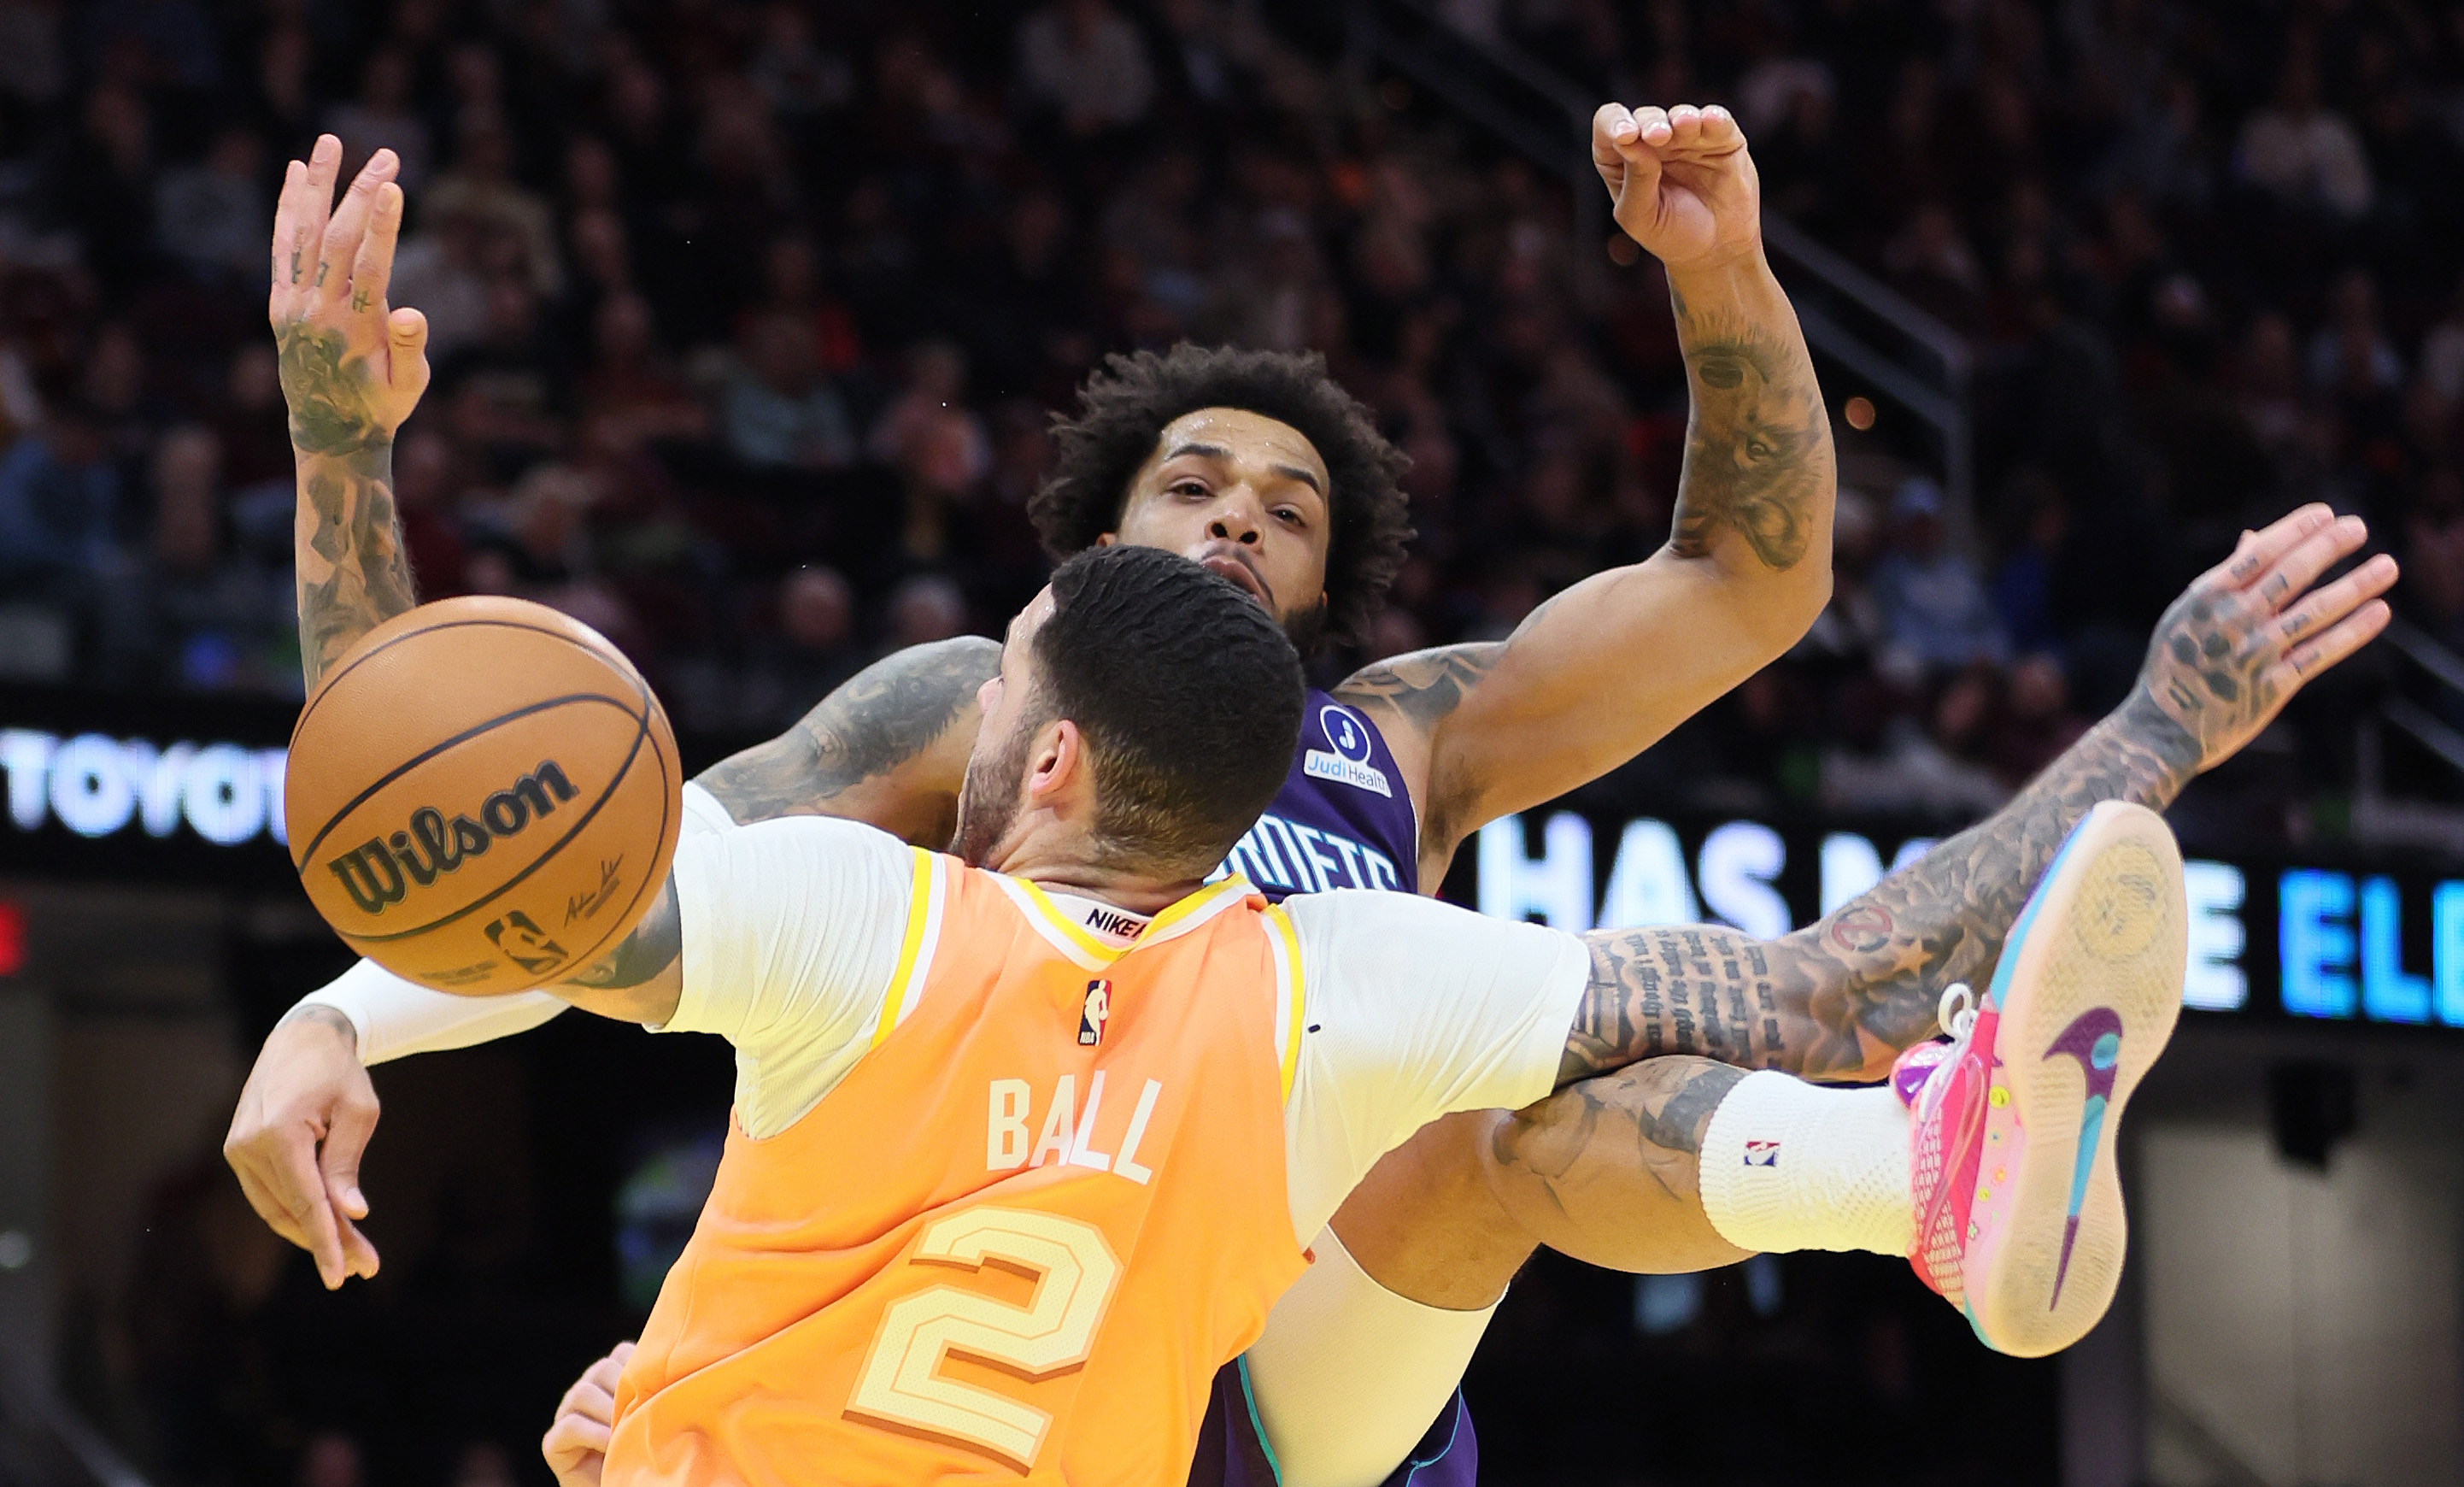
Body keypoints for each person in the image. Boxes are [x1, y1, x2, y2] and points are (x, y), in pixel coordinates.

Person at [232, 115, 2396, 1486]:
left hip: (1288, 1363)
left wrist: (1722, 283)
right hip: (955, 1334)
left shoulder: (1397, 755)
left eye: (1285, 506)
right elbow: (608, 864)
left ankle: (1930, 1171)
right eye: (1192, 486)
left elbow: (1747, 579)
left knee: (1500, 1136)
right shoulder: (960, 705)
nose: (1238, 521)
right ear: (1083, 571)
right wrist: (341, 1019)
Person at [471, 539, 2174, 1481]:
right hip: (1207, 1393)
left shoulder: (858, 914)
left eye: (1000, 683)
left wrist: (350, 468)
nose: (974, 706)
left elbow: (519, 903)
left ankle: (1918, 1170)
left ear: (1047, 757)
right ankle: (1921, 1164)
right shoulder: (1331, 977)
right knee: (1511, 1129)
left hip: (1194, 1411)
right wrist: (2151, 740)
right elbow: (1809, 987)